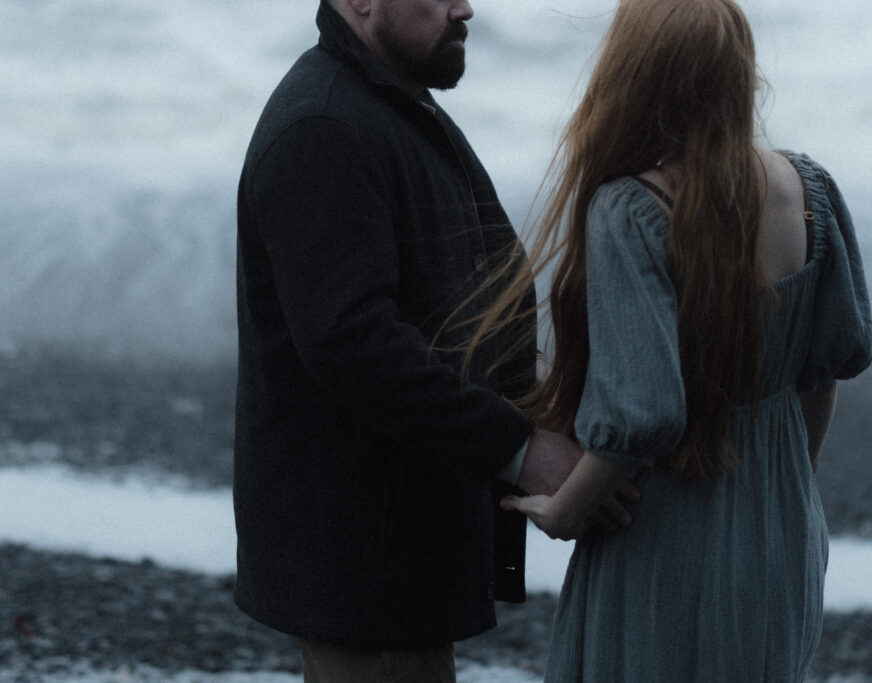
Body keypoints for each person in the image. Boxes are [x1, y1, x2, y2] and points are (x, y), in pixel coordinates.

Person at [468, 0, 872, 679]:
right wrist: (784, 492)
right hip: (787, 531)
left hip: (670, 535)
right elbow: (826, 369)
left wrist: (562, 510)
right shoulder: (810, 191)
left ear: (636, 75)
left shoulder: (632, 210)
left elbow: (644, 417)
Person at [232, 1, 633, 680]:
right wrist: (521, 449)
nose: (464, 7)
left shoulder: (393, 106)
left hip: (393, 546)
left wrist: (557, 409)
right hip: (363, 557)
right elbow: (355, 346)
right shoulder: (324, 126)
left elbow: (465, 306)